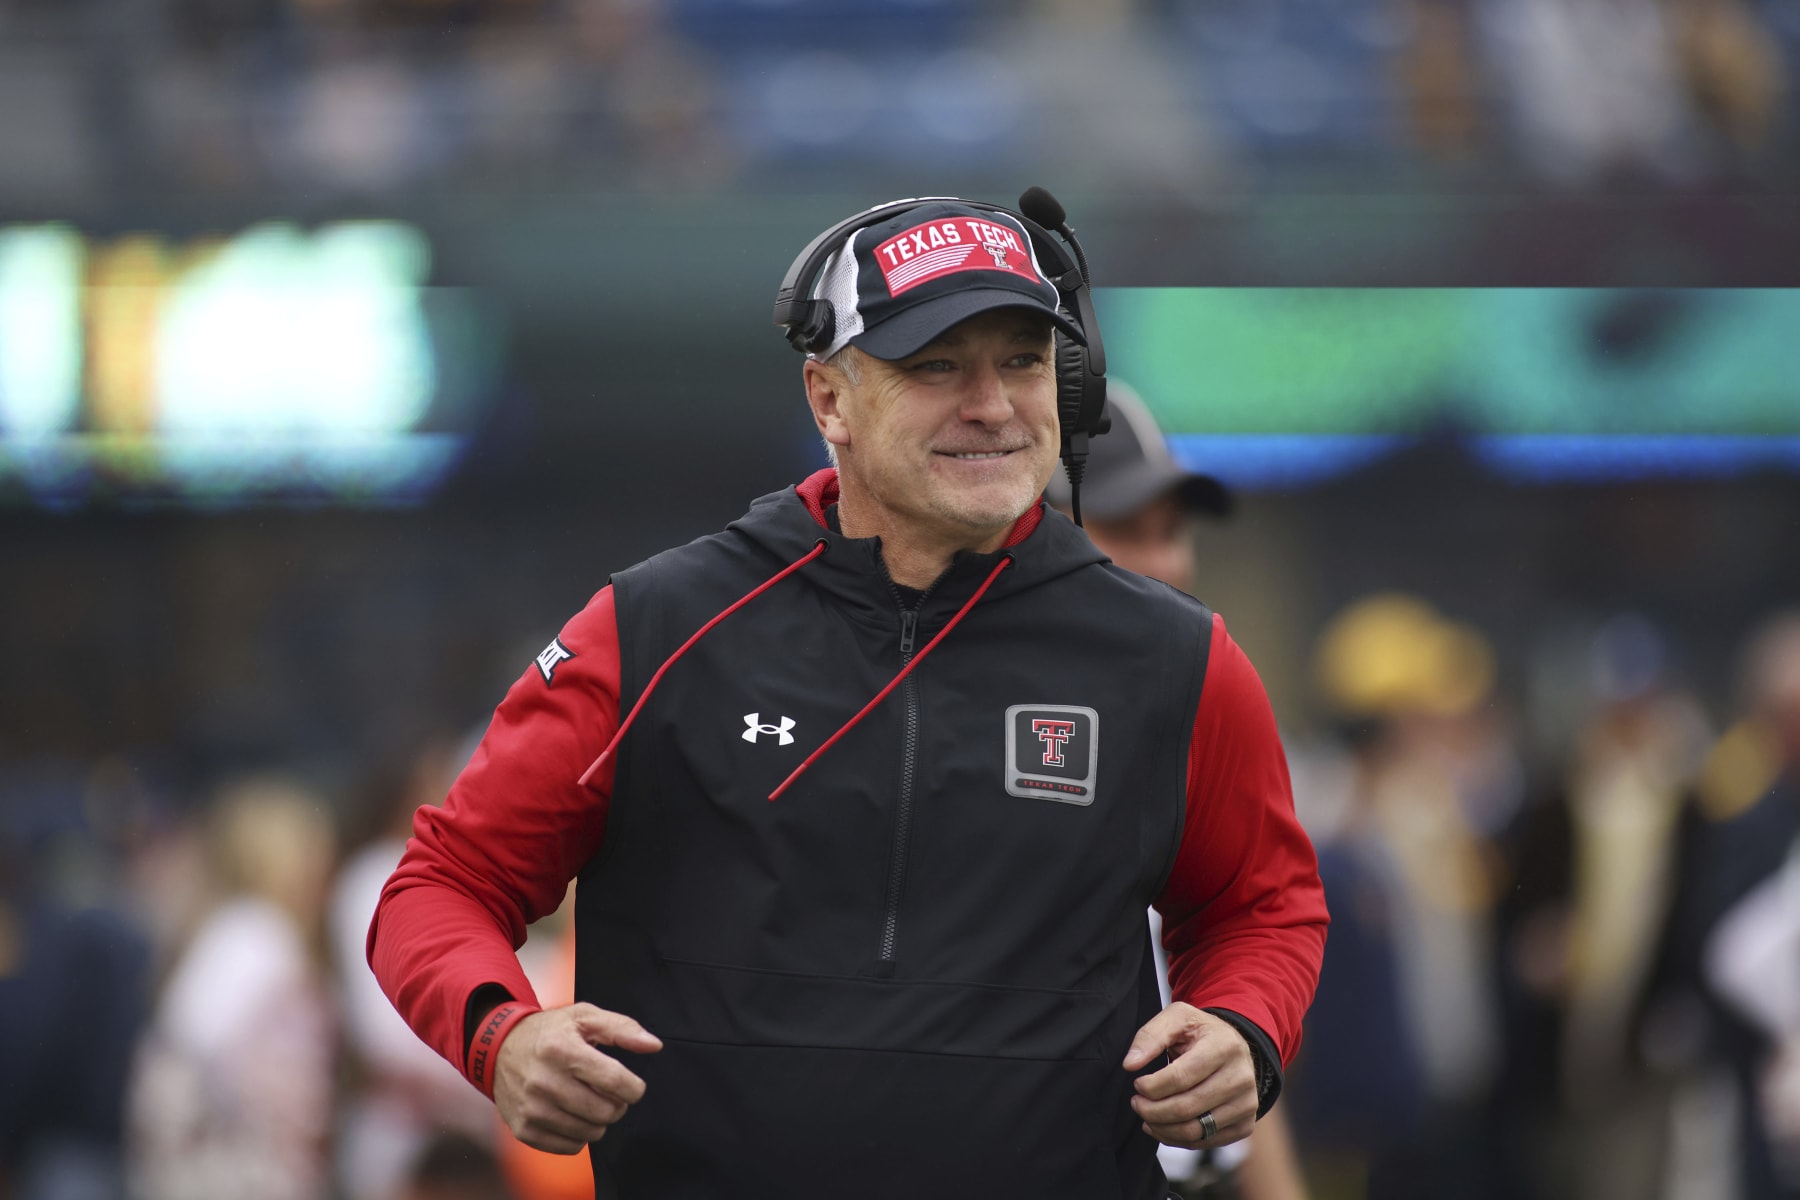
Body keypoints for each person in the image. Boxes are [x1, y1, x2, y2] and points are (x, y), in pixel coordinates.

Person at [368, 194, 1327, 1198]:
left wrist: (1241, 1027)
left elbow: (1261, 907)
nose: (992, 404)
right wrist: (501, 1035)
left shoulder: (1177, 656)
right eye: (936, 365)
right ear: (829, 400)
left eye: (1022, 362)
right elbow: (440, 885)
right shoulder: (653, 628)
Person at [1047, 381, 1311, 1200]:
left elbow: (1230, 987)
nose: (1166, 561)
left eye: (1174, 531)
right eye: (1127, 529)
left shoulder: (1192, 710)